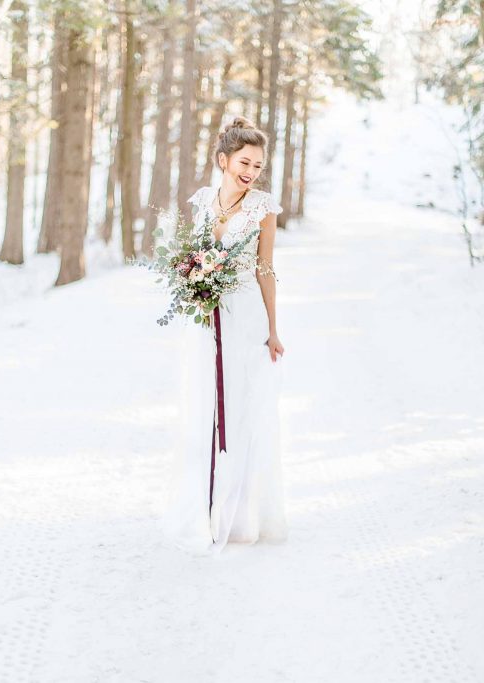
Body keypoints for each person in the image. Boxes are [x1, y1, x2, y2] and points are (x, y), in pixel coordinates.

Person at [160, 116, 289, 555]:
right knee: (204, 407)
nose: (250, 172)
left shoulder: (263, 208)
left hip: (245, 316)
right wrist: (192, 283)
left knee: (240, 407)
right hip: (206, 318)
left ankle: (238, 514)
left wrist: (272, 329)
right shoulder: (202, 202)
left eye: (257, 165)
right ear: (223, 160)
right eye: (244, 162)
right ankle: (203, 508)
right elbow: (190, 256)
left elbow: (265, 268)